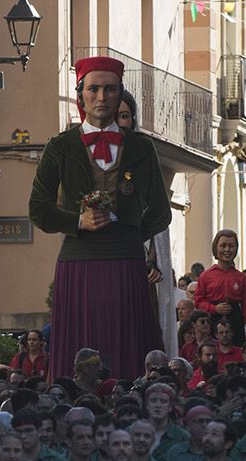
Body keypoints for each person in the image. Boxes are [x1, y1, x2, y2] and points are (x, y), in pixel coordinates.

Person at [29, 53, 172, 383]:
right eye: (94, 89)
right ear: (81, 94)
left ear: (120, 94)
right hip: (78, 263)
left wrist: (128, 233)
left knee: (127, 351)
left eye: (110, 89)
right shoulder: (59, 146)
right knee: (81, 349)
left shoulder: (141, 148)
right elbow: (39, 209)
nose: (102, 97)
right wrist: (78, 222)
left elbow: (161, 212)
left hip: (126, 264)